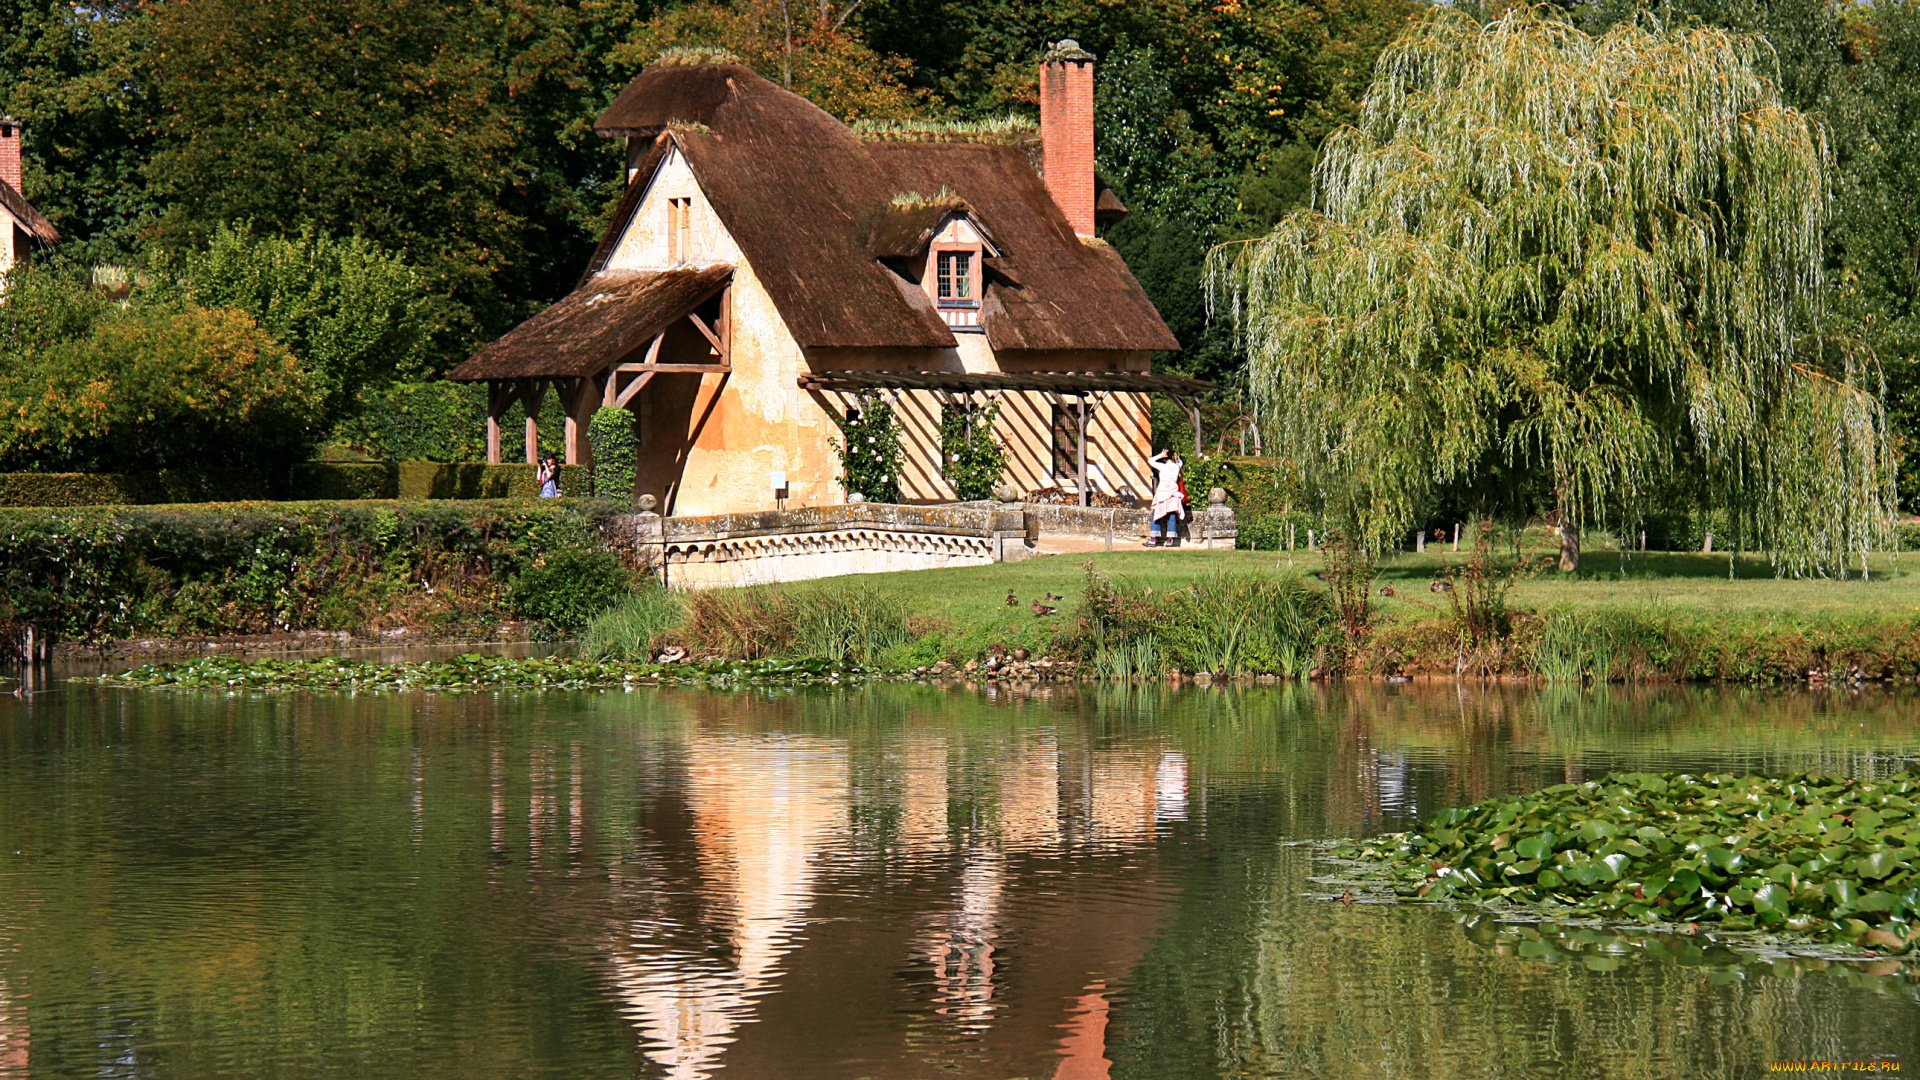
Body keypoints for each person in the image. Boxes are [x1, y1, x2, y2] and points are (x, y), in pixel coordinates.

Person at [1146, 448, 1185, 546]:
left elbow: (1150, 461)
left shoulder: (1163, 466)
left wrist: (1160, 455)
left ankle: (1153, 539)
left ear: (1164, 458)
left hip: (1162, 493)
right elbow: (1180, 463)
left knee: (1156, 515)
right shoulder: (1176, 466)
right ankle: (1170, 540)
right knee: (1172, 516)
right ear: (1172, 456)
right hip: (1173, 494)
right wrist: (1177, 459)